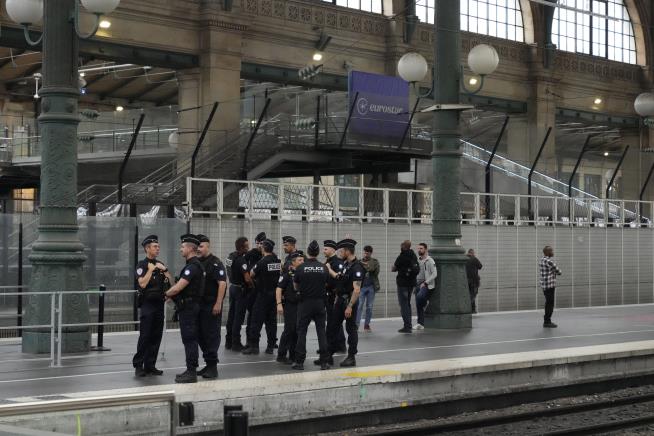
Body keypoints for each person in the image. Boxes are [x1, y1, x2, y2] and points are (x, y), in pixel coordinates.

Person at [164, 234, 206, 383]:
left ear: (190, 248)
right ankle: (190, 369)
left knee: (189, 339)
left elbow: (178, 288)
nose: (180, 249)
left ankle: (191, 372)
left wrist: (165, 294)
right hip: (190, 306)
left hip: (189, 308)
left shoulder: (192, 267)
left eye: (182, 247)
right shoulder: (194, 265)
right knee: (190, 339)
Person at [132, 235, 172, 377]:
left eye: (158, 246)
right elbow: (142, 284)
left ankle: (150, 365)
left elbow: (170, 281)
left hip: (159, 304)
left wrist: (165, 269)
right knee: (145, 336)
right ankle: (139, 365)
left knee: (156, 335)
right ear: (147, 248)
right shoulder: (141, 265)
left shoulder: (160, 264)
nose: (158, 249)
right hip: (148, 304)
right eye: (155, 247)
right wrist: (150, 269)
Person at [324, 238, 364, 367]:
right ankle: (328, 355)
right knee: (332, 327)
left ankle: (351, 357)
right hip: (340, 300)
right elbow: (340, 279)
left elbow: (356, 290)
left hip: (349, 302)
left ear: (347, 251)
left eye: (341, 251)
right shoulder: (346, 264)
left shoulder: (357, 267)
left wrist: (350, 306)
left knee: (351, 329)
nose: (339, 253)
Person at [292, 240, 330, 370]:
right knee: (321, 332)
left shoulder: (301, 268)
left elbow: (296, 285)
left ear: (308, 252)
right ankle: (324, 362)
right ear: (318, 252)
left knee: (302, 331)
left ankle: (299, 362)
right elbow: (326, 283)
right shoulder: (324, 267)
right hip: (320, 303)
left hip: (305, 303)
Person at [196, 234, 227, 380]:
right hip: (199, 306)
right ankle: (208, 364)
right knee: (200, 335)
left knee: (211, 336)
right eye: (197, 247)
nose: (198, 249)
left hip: (211, 305)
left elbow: (222, 283)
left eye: (201, 246)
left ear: (208, 246)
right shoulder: (196, 262)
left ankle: (213, 367)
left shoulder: (215, 263)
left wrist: (218, 303)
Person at [245, 239, 281, 355]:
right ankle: (270, 346)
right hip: (274, 295)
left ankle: (254, 346)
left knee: (256, 320)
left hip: (262, 294)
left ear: (264, 248)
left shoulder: (262, 262)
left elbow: (251, 274)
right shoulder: (277, 261)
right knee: (272, 321)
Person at [242, 232, 269, 353]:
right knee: (252, 317)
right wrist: (249, 282)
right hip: (252, 289)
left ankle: (269, 343)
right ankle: (250, 341)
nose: (259, 245)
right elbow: (243, 269)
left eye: (261, 243)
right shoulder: (251, 254)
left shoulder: (268, 255)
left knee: (263, 318)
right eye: (257, 243)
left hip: (263, 290)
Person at [276, 249, 304, 364]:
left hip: (301, 305)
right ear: (293, 262)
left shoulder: (303, 274)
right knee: (289, 330)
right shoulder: (287, 275)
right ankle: (281, 354)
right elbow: (278, 289)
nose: (302, 261)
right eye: (300, 260)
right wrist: (279, 304)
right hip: (290, 306)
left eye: (303, 259)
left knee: (297, 330)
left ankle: (293, 354)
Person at [225, 237, 251, 352]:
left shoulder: (230, 256)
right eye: (247, 245)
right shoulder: (241, 260)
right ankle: (236, 343)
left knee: (231, 315)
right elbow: (247, 278)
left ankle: (228, 342)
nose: (248, 247)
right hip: (240, 290)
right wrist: (252, 285)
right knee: (238, 317)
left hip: (232, 288)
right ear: (242, 247)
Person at [323, 240, 346, 353]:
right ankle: (331, 345)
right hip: (328, 295)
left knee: (335, 321)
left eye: (326, 249)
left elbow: (339, 280)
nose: (324, 250)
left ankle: (339, 345)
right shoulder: (328, 261)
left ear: (332, 250)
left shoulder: (337, 262)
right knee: (332, 321)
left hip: (334, 295)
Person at [392, 240, 419, 333]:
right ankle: (409, 325)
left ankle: (407, 326)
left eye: (401, 245)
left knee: (403, 305)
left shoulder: (402, 256)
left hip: (402, 284)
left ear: (404, 246)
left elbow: (394, 268)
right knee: (407, 304)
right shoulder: (413, 255)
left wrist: (396, 268)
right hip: (411, 283)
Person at [357, 245, 380, 332]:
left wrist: (366, 265)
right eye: (365, 252)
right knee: (359, 306)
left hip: (371, 286)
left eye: (367, 253)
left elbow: (375, 271)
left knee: (369, 306)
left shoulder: (374, 262)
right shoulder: (359, 261)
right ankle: (356, 324)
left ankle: (367, 324)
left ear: (371, 253)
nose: (366, 254)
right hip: (362, 286)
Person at [414, 243, 437, 330]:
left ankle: (425, 302)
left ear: (426, 250)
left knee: (420, 298)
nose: (419, 250)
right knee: (417, 304)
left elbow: (435, 274)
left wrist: (426, 283)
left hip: (426, 284)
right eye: (418, 248)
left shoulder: (430, 261)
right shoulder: (418, 260)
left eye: (421, 248)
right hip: (417, 284)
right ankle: (420, 323)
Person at [539, 245, 562, 328]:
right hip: (550, 285)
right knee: (550, 304)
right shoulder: (549, 261)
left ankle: (546, 320)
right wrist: (554, 272)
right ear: (547, 252)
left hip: (544, 285)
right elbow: (559, 272)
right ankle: (547, 321)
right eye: (551, 251)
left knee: (548, 302)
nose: (553, 252)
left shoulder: (542, 260)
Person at [465, 249, 483, 314]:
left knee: (469, 294)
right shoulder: (474, 259)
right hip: (474, 281)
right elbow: (480, 266)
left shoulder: (464, 259)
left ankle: (473, 310)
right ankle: (468, 308)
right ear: (472, 253)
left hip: (466, 281)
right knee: (473, 295)